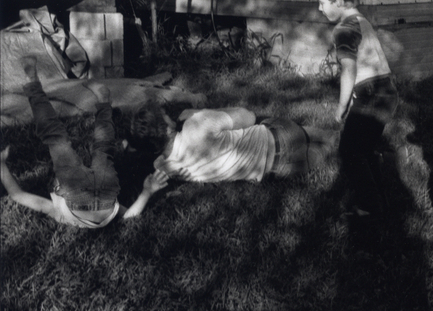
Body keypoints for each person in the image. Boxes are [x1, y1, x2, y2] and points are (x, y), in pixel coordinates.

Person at [0, 59, 167, 228]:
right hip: (85, 200)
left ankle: (103, 100)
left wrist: (147, 192)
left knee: (102, 145)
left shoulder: (67, 211)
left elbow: (129, 216)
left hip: (104, 203)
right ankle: (33, 81)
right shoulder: (60, 213)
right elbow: (17, 195)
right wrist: (1, 166)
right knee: (56, 137)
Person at [315, 0, 399, 221]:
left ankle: (368, 207)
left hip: (371, 95)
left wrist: (342, 105)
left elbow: (349, 70)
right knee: (364, 150)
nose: (319, 9)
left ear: (338, 1)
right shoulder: (361, 20)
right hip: (386, 91)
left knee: (349, 151)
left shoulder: (343, 29)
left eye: (322, 2)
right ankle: (380, 201)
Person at [128, 103, 338, 184]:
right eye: (164, 115)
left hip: (280, 170)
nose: (169, 114)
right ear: (166, 129)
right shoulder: (195, 125)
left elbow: (156, 159)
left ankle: (338, 145)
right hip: (282, 135)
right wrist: (198, 112)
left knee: (333, 153)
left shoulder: (165, 168)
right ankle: (339, 135)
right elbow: (248, 116)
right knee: (336, 138)